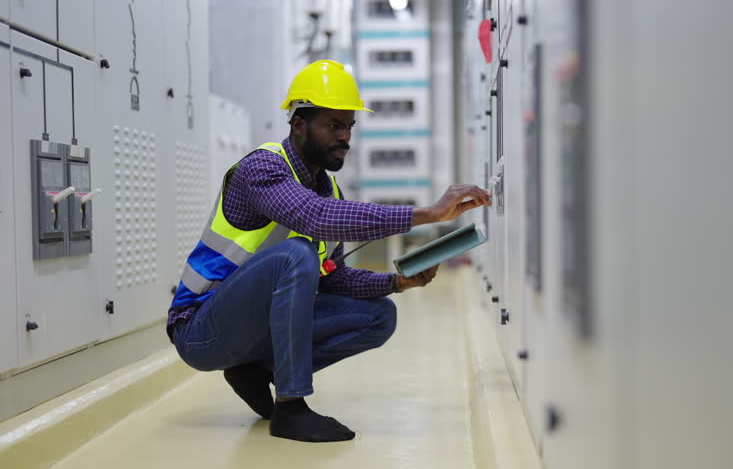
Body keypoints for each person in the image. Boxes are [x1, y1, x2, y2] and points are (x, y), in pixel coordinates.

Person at [167, 60, 491, 443]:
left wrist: (396, 282)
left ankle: (259, 370)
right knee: (296, 252)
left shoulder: (326, 188)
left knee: (378, 316)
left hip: (249, 332)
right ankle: (290, 408)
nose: (345, 138)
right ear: (299, 125)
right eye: (333, 126)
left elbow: (331, 275)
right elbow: (313, 218)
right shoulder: (262, 168)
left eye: (349, 127)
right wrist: (427, 214)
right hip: (201, 328)